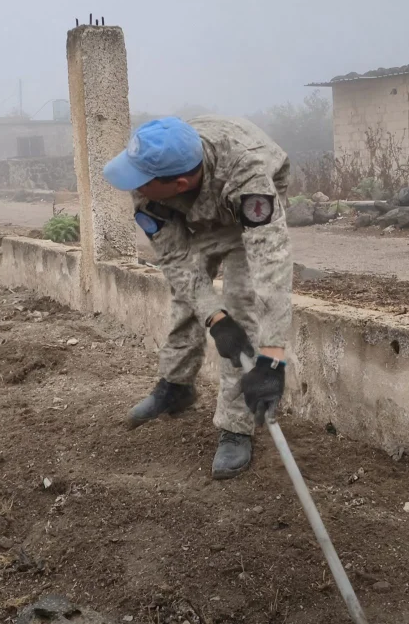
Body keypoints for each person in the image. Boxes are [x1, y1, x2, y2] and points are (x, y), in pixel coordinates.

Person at [102, 115, 292, 479]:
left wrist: (272, 358)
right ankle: (176, 385)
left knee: (241, 305)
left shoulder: (249, 179)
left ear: (178, 183)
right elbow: (176, 259)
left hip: (237, 199)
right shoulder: (148, 178)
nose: (132, 186)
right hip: (195, 200)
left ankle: (236, 427)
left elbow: (271, 265)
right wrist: (214, 319)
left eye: (141, 180)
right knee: (188, 293)